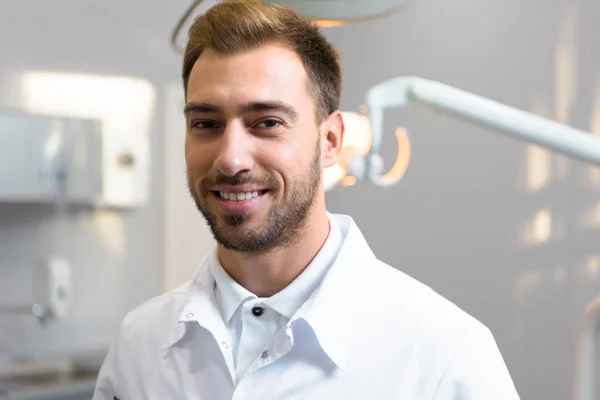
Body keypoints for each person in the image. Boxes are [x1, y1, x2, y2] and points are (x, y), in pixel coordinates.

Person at [93, 0, 520, 398]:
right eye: (206, 123)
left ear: (331, 140)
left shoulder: (444, 356)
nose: (231, 158)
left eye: (267, 122)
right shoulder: (139, 347)